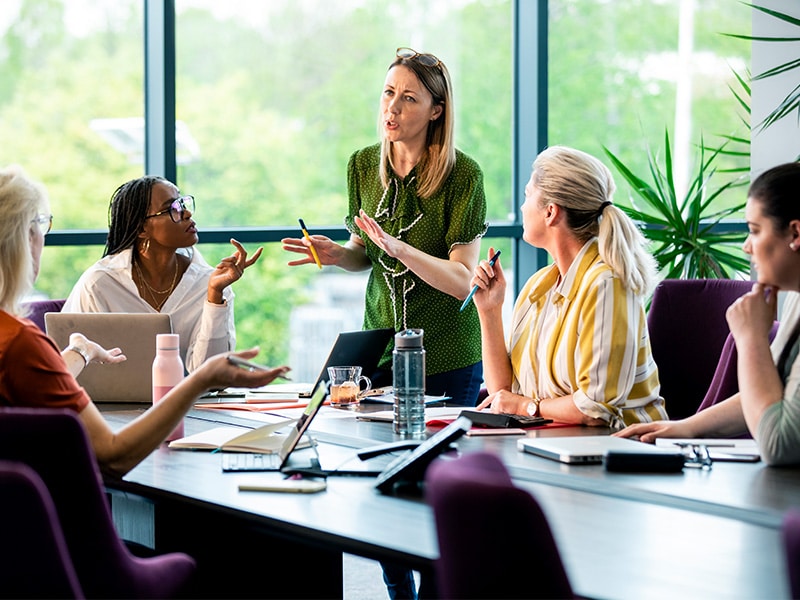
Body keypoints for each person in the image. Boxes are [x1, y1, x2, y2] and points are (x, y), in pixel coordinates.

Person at [0, 164, 290, 478]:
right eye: (40, 226)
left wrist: (79, 351)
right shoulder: (23, 341)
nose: (187, 214)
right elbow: (113, 456)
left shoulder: (18, 343)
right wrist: (201, 379)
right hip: (80, 494)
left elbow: (43, 383)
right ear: (23, 242)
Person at [282, 47, 487, 408]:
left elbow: (462, 282)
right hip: (382, 352)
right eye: (389, 92)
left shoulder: (463, 177)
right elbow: (363, 252)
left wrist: (400, 249)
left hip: (446, 355)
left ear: (436, 110)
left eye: (409, 98)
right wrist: (340, 255)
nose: (392, 107)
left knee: (438, 461)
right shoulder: (362, 166)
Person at [616, 162, 800, 466]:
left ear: (795, 233)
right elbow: (770, 397)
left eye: (755, 231)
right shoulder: (795, 297)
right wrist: (684, 428)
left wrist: (751, 338)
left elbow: (779, 445)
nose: (746, 247)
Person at [472, 145, 668, 428]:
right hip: (552, 444)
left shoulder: (606, 285)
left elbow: (595, 407)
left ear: (550, 212)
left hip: (618, 452)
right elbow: (503, 392)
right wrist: (490, 311)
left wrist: (529, 407)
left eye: (527, 196)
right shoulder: (539, 286)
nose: (522, 207)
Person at [63, 175, 261, 372]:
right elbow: (76, 370)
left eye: (183, 204)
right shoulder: (99, 284)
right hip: (112, 404)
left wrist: (215, 295)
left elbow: (211, 374)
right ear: (142, 228)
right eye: (173, 208)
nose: (187, 213)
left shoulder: (210, 282)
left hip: (192, 403)